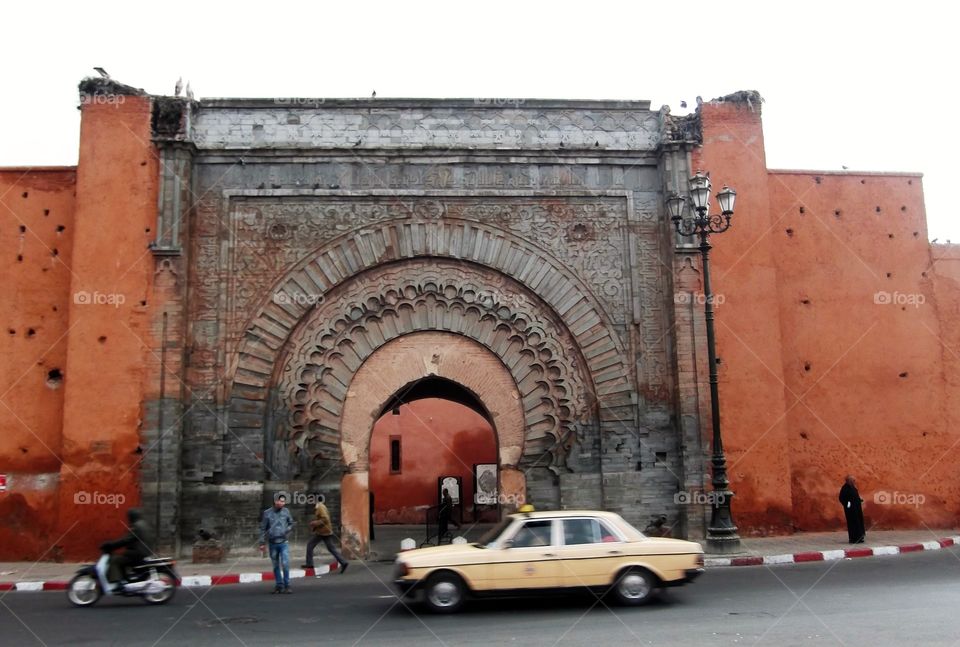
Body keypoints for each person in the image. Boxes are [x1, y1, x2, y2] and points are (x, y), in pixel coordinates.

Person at [100, 508, 153, 586]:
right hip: (144, 552)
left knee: (115, 559)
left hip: (137, 553)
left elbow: (126, 540)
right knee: (123, 556)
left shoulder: (136, 526)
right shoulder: (143, 524)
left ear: (132, 516)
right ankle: (125, 578)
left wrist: (111, 545)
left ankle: (116, 583)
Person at [259, 493, 295, 593]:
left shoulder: (286, 511)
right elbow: (262, 528)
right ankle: (279, 585)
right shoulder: (267, 513)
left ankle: (287, 585)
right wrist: (262, 543)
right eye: (280, 501)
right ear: (275, 501)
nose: (282, 503)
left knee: (285, 563)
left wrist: (287, 530)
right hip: (272, 543)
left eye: (283, 501)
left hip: (284, 542)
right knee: (275, 565)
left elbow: (291, 523)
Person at [302, 500, 349, 574]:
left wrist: (315, 523)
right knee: (331, 548)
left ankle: (310, 564)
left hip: (323, 532)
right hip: (324, 531)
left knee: (310, 545)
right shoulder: (319, 507)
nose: (309, 502)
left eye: (311, 500)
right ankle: (343, 562)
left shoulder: (320, 507)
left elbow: (325, 519)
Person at [838, 475, 866, 544]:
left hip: (857, 508)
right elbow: (841, 498)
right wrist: (848, 505)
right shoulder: (845, 488)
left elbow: (855, 496)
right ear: (848, 481)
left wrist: (859, 500)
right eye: (853, 480)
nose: (854, 481)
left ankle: (859, 537)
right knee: (853, 523)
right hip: (850, 510)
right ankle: (853, 538)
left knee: (858, 522)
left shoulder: (853, 487)